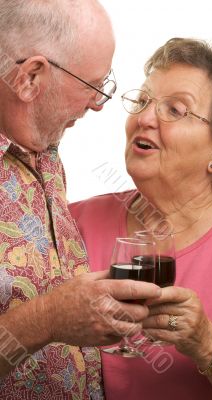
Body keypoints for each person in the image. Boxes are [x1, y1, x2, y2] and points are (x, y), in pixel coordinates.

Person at [70, 37, 212, 399]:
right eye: (142, 102)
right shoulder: (73, 221)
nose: (144, 118)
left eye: (175, 110)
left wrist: (207, 344)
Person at [0, 1, 161, 399]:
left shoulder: (44, 151)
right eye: (92, 85)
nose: (97, 104)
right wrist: (47, 319)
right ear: (31, 78)